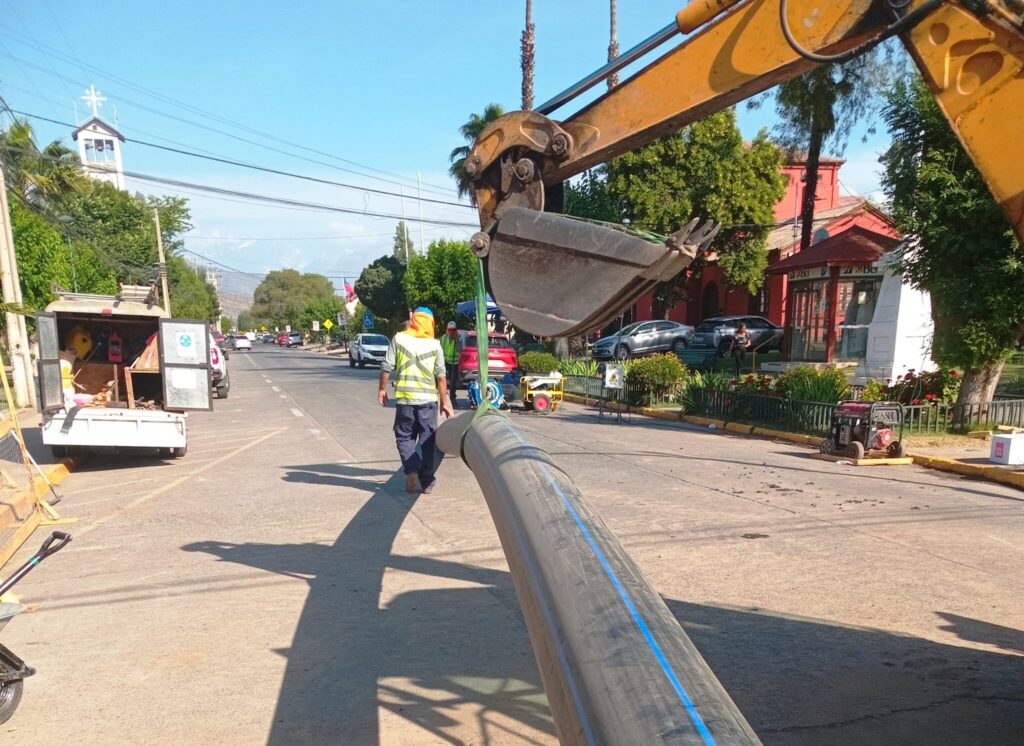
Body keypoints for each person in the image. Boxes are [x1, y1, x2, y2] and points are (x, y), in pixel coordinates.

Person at [379, 307, 453, 494]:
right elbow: (442, 377)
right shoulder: (435, 345)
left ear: (413, 320)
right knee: (428, 443)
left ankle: (412, 468)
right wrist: (443, 402)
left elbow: (386, 366)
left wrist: (382, 389)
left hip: (405, 400)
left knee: (404, 437)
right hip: (428, 401)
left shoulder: (399, 338)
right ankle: (426, 482)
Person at [440, 320, 463, 408]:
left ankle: (452, 398)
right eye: (449, 330)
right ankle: (443, 396)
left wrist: (457, 340)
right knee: (443, 380)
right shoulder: (443, 338)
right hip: (445, 362)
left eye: (453, 330)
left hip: (454, 363)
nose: (451, 332)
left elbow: (459, 350)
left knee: (453, 382)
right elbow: (440, 349)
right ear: (447, 330)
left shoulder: (459, 338)